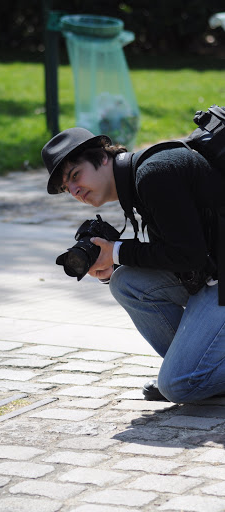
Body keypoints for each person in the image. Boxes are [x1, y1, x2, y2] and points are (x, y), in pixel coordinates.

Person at [41, 127, 225, 403]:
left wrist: (117, 251)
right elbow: (181, 253)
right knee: (126, 281)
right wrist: (113, 262)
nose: (75, 190)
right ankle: (199, 373)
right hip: (214, 273)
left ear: (103, 157)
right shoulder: (141, 179)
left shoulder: (154, 175)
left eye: (75, 175)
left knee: (176, 386)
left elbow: (190, 255)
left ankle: (191, 377)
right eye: (67, 188)